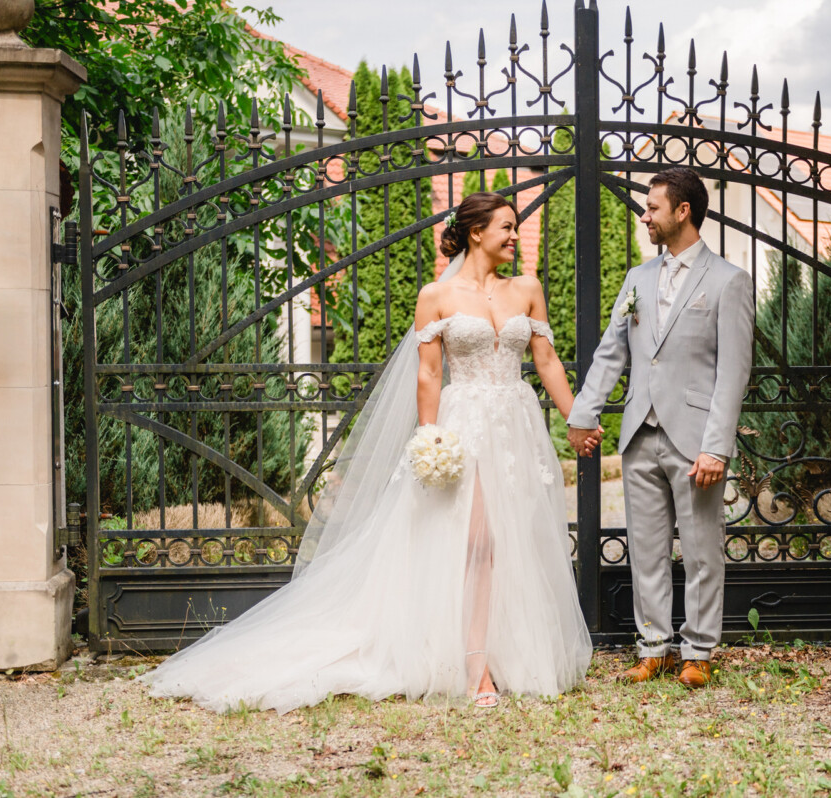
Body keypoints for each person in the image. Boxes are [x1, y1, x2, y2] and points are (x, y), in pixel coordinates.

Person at [142, 192, 594, 712]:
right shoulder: (436, 296)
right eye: (508, 227)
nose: (516, 236)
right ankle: (475, 665)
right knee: (477, 541)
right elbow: (427, 373)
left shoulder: (528, 289)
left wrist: (576, 417)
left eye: (516, 228)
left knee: (516, 539)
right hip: (462, 427)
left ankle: (516, 653)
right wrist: (431, 438)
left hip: (515, 425)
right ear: (476, 232)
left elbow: (547, 360)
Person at [567, 167, 753, 689]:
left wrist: (717, 447)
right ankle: (654, 648)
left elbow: (733, 373)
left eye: (651, 208)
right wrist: (584, 414)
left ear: (682, 212)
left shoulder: (728, 281)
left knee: (700, 550)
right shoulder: (637, 280)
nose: (644, 215)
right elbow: (611, 353)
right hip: (638, 435)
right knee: (645, 548)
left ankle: (697, 651)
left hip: (695, 441)